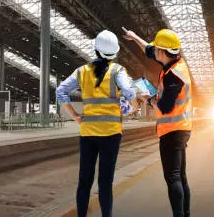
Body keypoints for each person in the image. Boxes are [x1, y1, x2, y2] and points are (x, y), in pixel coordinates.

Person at [56, 30, 136, 217]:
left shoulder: (82, 71)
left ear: (96, 50)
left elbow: (61, 91)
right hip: (111, 134)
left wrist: (75, 115)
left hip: (88, 133)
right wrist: (129, 103)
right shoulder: (118, 71)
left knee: (84, 181)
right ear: (114, 53)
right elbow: (130, 93)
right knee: (105, 182)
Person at [123, 27, 193, 217]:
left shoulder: (173, 77)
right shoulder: (177, 63)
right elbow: (149, 49)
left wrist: (149, 99)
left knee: (173, 178)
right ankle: (185, 214)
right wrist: (134, 36)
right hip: (182, 128)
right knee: (181, 176)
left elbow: (166, 106)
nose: (154, 52)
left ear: (163, 52)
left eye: (157, 50)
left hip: (172, 131)